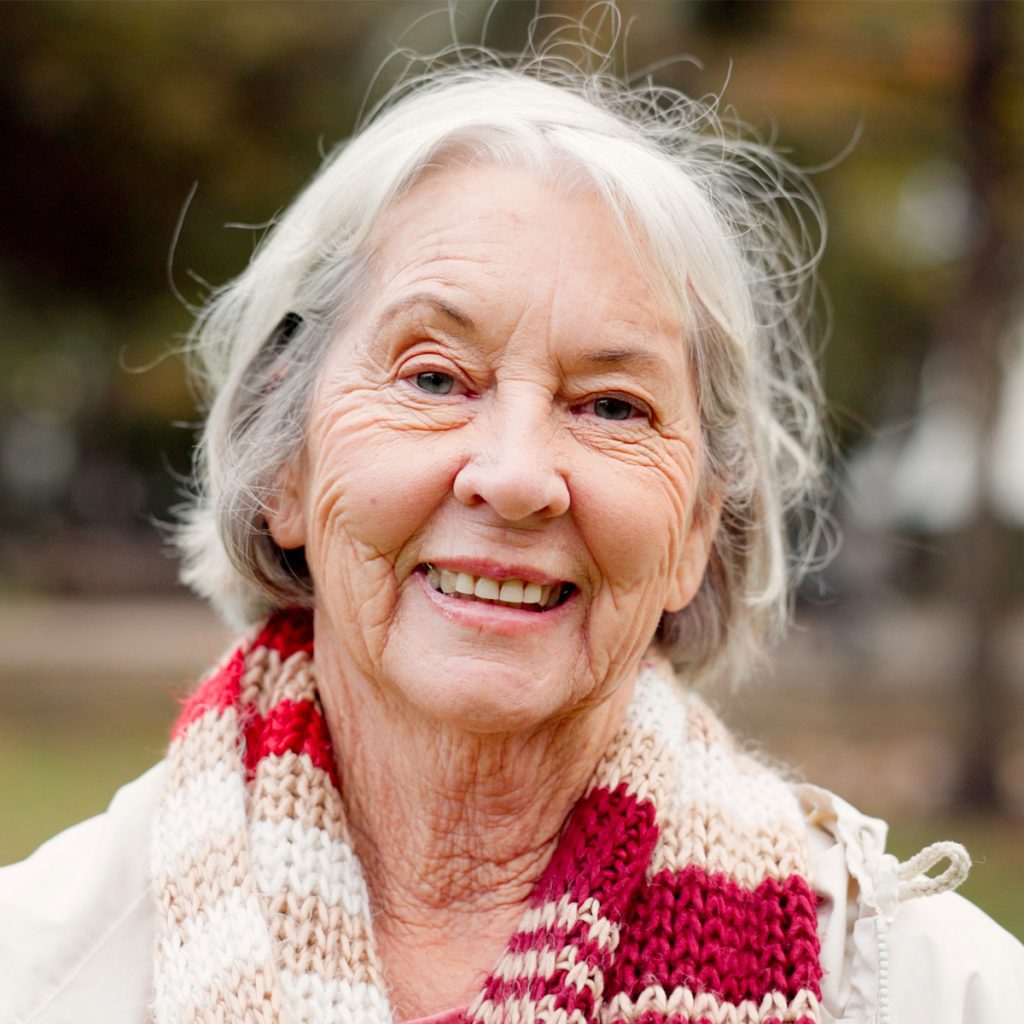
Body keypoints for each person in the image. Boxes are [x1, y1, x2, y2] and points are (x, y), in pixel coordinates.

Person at [3, 43, 1022, 1024]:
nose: (518, 476)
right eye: (434, 378)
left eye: (612, 405)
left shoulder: (931, 992)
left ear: (696, 530)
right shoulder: (37, 969)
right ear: (287, 469)